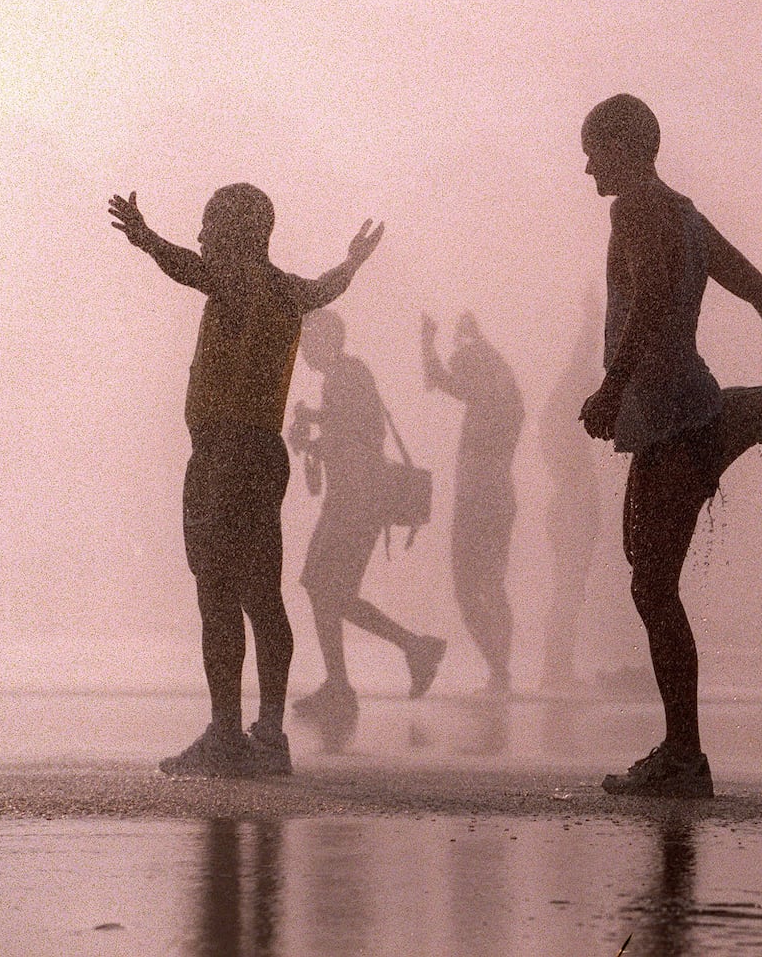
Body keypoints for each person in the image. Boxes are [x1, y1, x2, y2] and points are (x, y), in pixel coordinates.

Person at [579, 94, 762, 798]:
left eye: (595, 150)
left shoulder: (634, 209)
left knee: (651, 583)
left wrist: (609, 389)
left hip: (671, 417)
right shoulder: (685, 215)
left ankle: (684, 756)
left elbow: (655, 301)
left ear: (628, 151)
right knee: (647, 571)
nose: (587, 166)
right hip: (690, 410)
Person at [107, 184, 384, 777]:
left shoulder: (236, 282)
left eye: (210, 225)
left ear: (237, 234)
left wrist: (145, 237)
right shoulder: (288, 291)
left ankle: (226, 733)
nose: (203, 237)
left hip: (221, 456)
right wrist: (353, 261)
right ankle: (271, 735)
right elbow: (328, 286)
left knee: (216, 593)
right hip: (263, 455)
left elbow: (186, 267)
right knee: (262, 593)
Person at [287, 308, 447, 745]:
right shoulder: (347, 374)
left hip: (354, 503)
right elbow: (356, 424)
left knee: (323, 588)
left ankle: (398, 657)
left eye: (307, 342)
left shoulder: (344, 375)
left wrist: (312, 440)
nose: (302, 350)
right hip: (356, 501)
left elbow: (355, 436)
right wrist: (317, 422)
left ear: (326, 341)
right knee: (327, 591)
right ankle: (365, 672)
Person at [421, 310, 523, 694]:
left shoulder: (492, 402)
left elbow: (442, 381)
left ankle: (500, 670)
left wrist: (431, 344)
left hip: (481, 500)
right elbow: (447, 382)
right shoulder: (501, 399)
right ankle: (500, 670)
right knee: (485, 586)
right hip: (489, 498)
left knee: (476, 586)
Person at [538, 289, 605, 694]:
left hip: (568, 503)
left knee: (569, 588)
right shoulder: (569, 405)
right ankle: (556, 669)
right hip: (573, 506)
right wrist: (591, 316)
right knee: (569, 588)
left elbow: (580, 362)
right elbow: (581, 360)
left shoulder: (559, 417)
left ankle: (556, 666)